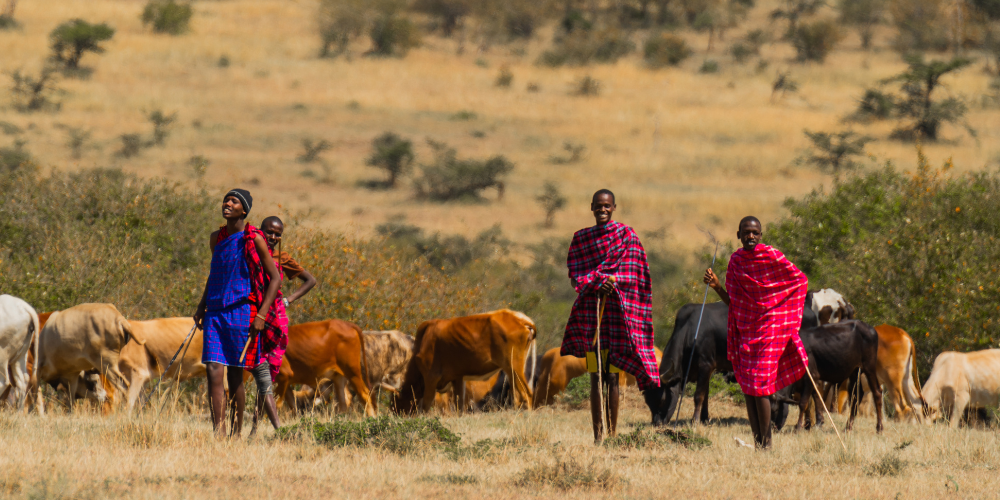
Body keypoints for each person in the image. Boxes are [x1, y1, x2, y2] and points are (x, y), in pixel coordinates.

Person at [562, 189, 659, 442]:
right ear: (591, 207)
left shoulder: (627, 236)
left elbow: (638, 274)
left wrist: (612, 281)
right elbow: (575, 276)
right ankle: (597, 435)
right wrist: (596, 284)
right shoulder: (582, 238)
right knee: (595, 376)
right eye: (598, 206)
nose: (602, 210)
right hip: (593, 317)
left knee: (613, 377)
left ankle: (613, 435)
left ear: (614, 207)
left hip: (619, 319)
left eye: (607, 206)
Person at [703, 216, 808, 449]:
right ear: (738, 235)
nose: (751, 236)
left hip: (770, 330)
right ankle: (758, 442)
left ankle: (767, 444)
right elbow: (734, 303)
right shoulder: (736, 262)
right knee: (748, 387)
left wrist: (783, 316)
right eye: (746, 232)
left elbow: (799, 281)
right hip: (746, 330)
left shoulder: (772, 256)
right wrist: (717, 286)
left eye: (755, 232)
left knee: (761, 387)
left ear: (760, 235)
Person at [193, 189, 282, 439]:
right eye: (226, 200)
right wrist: (201, 306)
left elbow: (274, 278)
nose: (227, 204)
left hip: (243, 310)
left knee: (235, 373)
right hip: (215, 312)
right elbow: (216, 274)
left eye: (234, 201)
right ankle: (219, 433)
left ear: (244, 210)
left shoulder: (253, 238)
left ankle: (235, 433)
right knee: (213, 368)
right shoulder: (216, 238)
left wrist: (262, 315)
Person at [248, 215, 317, 435]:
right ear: (260, 231)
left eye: (278, 234)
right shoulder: (249, 251)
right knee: (259, 371)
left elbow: (310, 280)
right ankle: (262, 427)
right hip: (251, 314)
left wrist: (288, 300)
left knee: (265, 371)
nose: (274, 237)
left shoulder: (281, 257)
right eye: (270, 232)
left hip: (273, 319)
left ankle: (261, 427)